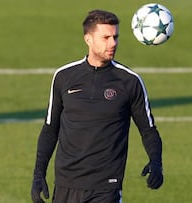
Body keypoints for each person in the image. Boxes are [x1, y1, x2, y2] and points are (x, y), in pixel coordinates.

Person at [31, 9, 163, 203]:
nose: (113, 43)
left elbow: (148, 130)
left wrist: (156, 162)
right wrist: (38, 174)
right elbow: (50, 130)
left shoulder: (129, 81)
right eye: (106, 37)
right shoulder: (64, 77)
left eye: (115, 37)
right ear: (88, 39)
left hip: (106, 187)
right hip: (66, 184)